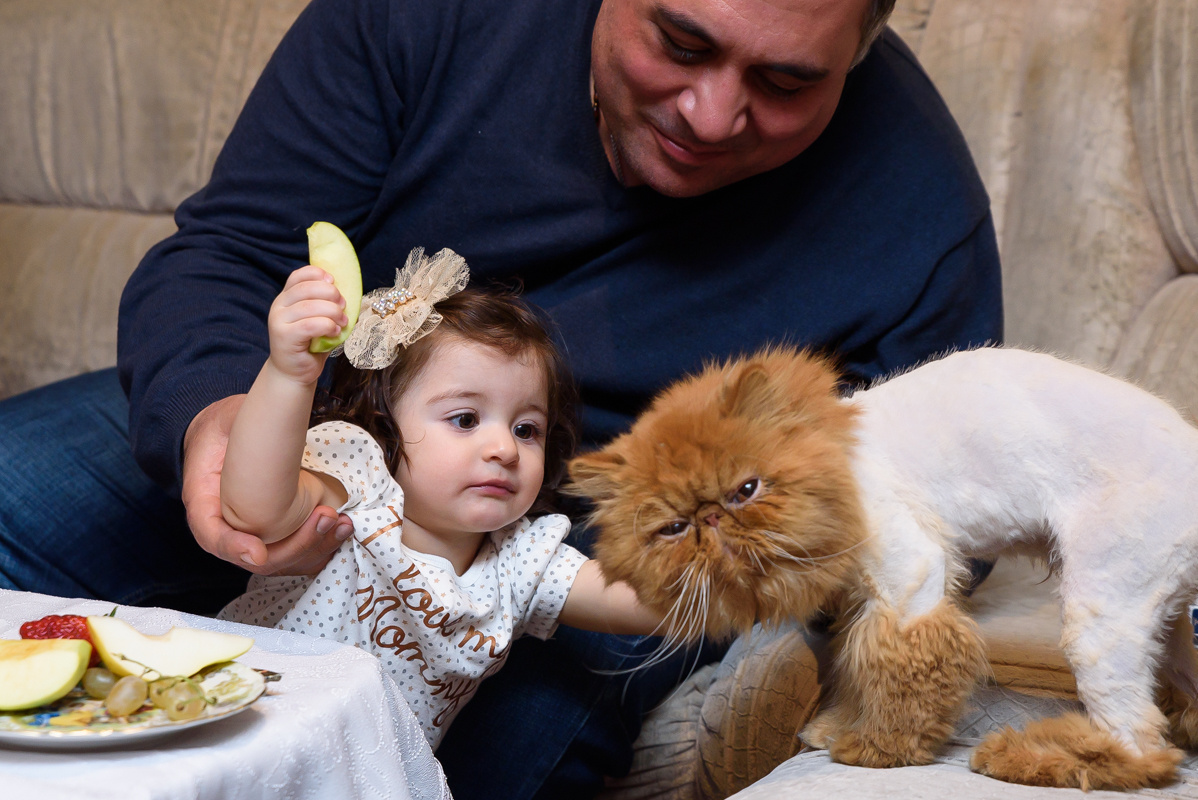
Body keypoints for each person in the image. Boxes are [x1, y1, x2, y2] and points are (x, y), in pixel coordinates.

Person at [0, 0, 1003, 796]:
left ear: (859, 50)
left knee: (490, 746)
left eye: (786, 82)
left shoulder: (920, 205)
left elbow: (952, 502)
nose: (710, 113)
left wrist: (749, 578)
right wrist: (219, 419)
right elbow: (230, 251)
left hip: (598, 530)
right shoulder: (425, 14)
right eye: (679, 40)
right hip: (327, 433)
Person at [219, 250, 662, 748]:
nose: (504, 449)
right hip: (236, 730)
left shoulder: (518, 559)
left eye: (526, 429)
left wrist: (748, 550)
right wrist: (289, 375)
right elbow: (252, 509)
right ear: (384, 422)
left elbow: (650, 602)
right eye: (466, 419)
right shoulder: (357, 483)